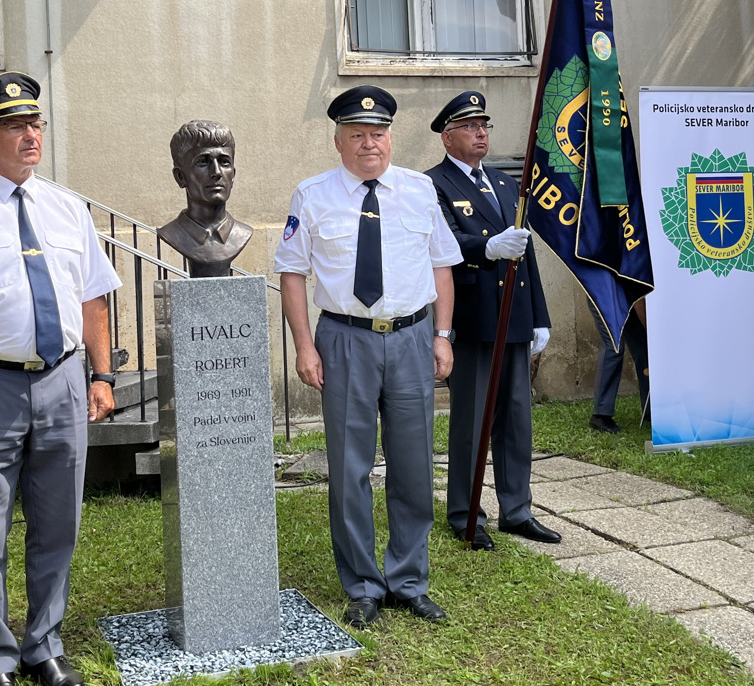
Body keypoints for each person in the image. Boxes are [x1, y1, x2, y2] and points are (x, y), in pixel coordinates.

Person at [0, 72, 122, 686]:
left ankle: (43, 645)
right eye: (16, 126)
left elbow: (93, 299)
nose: (31, 135)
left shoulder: (67, 208)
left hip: (62, 382)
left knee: (58, 523)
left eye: (35, 124)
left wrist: (102, 374)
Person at [275, 85, 461, 628]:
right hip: (344, 340)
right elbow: (292, 274)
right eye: (356, 134)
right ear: (338, 140)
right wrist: (305, 345)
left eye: (376, 133)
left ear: (390, 137)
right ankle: (362, 585)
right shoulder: (312, 195)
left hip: (410, 338)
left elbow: (442, 267)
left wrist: (442, 335)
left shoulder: (420, 190)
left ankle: (408, 579)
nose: (368, 144)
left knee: (413, 463)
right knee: (350, 467)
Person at [425, 91, 559, 551]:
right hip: (473, 317)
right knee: (472, 419)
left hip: (513, 318)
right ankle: (466, 512)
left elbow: (526, 252)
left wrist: (539, 314)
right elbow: (442, 246)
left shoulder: (505, 184)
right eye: (470, 126)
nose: (481, 133)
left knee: (516, 419)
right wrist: (485, 248)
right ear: (447, 136)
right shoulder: (433, 185)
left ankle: (517, 510)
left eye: (485, 125)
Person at [158, 119, 254, 277]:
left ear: (233, 175)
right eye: (203, 162)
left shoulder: (242, 233)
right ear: (180, 177)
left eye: (224, 162)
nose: (216, 172)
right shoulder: (172, 234)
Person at [589, 299, 649, 433]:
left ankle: (650, 409)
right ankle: (601, 415)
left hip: (626, 295)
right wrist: (650, 329)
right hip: (602, 292)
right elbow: (640, 301)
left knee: (643, 347)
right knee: (613, 344)